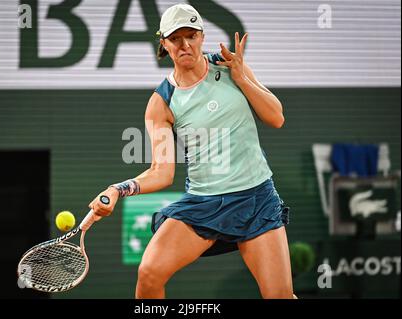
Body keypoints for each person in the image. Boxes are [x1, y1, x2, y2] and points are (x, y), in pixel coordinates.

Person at [89, 3, 295, 299]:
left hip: (256, 198)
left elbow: (276, 117)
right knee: (149, 273)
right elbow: (162, 173)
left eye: (191, 35)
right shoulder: (162, 102)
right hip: (203, 205)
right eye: (175, 39)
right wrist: (119, 189)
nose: (184, 44)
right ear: (164, 44)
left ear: (201, 36)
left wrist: (241, 77)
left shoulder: (228, 64)